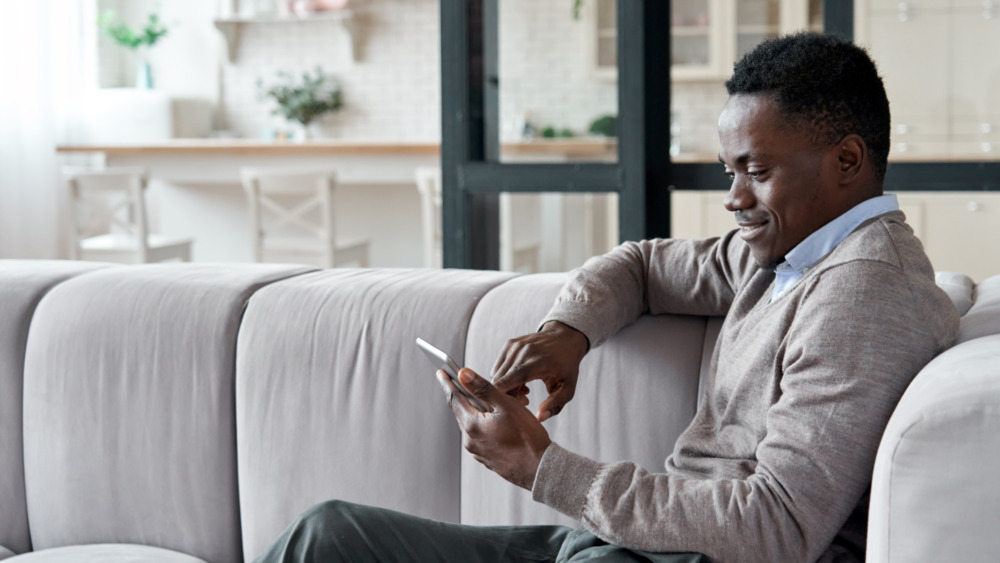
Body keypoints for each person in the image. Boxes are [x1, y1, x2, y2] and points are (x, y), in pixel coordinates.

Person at [254, 32, 959, 563]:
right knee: (328, 534)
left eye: (758, 170)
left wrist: (540, 465)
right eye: (729, 170)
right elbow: (641, 267)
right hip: (629, 544)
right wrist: (569, 332)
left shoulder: (867, 293)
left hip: (682, 556)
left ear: (846, 160)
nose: (735, 197)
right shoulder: (780, 251)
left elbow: (777, 524)